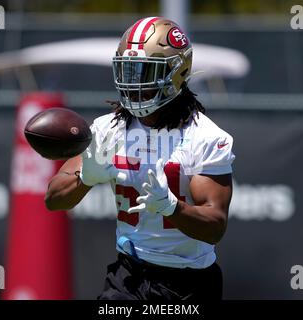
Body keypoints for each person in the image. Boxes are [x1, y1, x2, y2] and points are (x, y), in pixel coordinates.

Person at [45, 16, 235, 300]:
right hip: (127, 277)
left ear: (176, 73)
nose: (133, 82)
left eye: (145, 72)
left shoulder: (205, 137)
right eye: (128, 70)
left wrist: (173, 208)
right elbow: (53, 199)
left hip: (188, 284)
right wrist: (85, 178)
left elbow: (215, 227)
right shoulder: (108, 130)